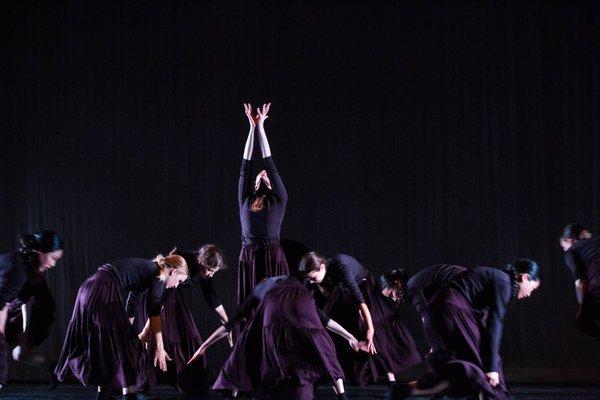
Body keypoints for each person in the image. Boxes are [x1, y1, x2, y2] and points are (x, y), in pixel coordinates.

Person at [188, 274, 366, 400]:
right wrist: (350, 336)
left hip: (272, 322)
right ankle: (342, 394)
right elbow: (326, 321)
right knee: (323, 345)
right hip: (299, 313)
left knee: (244, 346)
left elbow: (229, 326)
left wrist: (203, 346)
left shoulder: (260, 290)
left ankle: (233, 393)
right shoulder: (297, 291)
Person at [386, 259, 541, 400]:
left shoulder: (492, 279)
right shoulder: (504, 282)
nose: (529, 294)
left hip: (440, 314)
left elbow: (483, 322)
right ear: (525, 277)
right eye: (532, 288)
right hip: (451, 311)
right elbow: (496, 323)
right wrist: (492, 367)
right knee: (483, 369)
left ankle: (408, 389)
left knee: (461, 368)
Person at [55, 255, 189, 400]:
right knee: (127, 346)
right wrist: (160, 347)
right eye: (179, 281)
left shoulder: (148, 272)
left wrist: (124, 337)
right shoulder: (159, 275)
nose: (176, 285)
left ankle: (104, 394)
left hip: (89, 288)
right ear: (173, 272)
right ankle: (128, 395)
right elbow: (154, 312)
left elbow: (132, 305)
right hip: (102, 290)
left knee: (109, 345)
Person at [300, 252, 421, 385]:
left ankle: (391, 377)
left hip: (363, 288)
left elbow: (360, 300)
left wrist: (370, 329)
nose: (310, 281)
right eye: (308, 278)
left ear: (322, 267)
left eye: (312, 277)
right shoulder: (312, 279)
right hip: (343, 291)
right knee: (344, 325)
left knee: (376, 328)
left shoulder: (342, 268)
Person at [134, 245, 231, 396]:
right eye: (210, 271)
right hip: (158, 295)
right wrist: (148, 328)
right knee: (153, 338)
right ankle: (141, 386)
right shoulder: (182, 261)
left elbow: (211, 296)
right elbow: (162, 290)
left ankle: (194, 384)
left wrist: (227, 323)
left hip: (174, 298)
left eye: (214, 272)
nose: (211, 275)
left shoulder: (204, 273)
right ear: (200, 262)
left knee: (191, 337)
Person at [237, 103, 288, 306]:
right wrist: (252, 128)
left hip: (272, 257)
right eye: (259, 175)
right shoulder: (245, 199)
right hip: (249, 257)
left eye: (266, 175)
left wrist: (262, 128)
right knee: (250, 306)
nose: (262, 172)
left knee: (274, 304)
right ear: (255, 183)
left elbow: (269, 162)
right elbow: (246, 163)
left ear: (272, 184)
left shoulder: (279, 200)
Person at [0, 230, 63, 388]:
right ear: (40, 251)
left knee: (19, 354)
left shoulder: (27, 273)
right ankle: (56, 368)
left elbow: (27, 303)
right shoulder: (16, 268)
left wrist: (26, 333)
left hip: (35, 313)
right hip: (14, 310)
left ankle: (56, 368)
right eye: (53, 258)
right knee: (17, 355)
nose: (53, 264)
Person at [560, 223, 600, 339]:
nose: (564, 250)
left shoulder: (572, 251)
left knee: (582, 320)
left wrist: (582, 308)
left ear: (569, 240)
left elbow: (580, 283)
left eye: (563, 247)